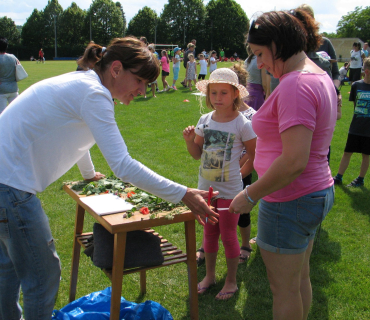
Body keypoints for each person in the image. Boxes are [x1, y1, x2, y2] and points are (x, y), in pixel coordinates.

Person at [0, 37, 219, 320]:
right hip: (10, 189)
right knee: (43, 275)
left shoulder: (85, 85)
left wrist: (89, 174)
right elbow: (123, 165)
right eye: (139, 81)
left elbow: (74, 133)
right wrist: (183, 193)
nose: (142, 90)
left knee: (8, 269)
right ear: (116, 69)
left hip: (6, 183)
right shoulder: (94, 93)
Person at [230, 11, 336, 319]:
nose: (259, 63)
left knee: (284, 289)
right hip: (314, 193)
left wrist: (250, 195)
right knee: (298, 279)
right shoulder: (316, 74)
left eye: (261, 53)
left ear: (278, 44)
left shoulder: (295, 84)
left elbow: (293, 162)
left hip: (291, 199)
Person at [183, 68, 256, 301]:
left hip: (230, 192)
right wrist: (188, 141)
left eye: (223, 93)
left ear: (235, 94)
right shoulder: (204, 120)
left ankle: (231, 281)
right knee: (209, 235)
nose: (217, 98)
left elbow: (255, 155)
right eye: (213, 93)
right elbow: (197, 154)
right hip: (207, 191)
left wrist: (240, 176)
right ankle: (210, 276)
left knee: (228, 236)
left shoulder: (242, 124)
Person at [333, 58, 370, 187]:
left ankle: (360, 179)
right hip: (356, 127)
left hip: (368, 129)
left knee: (366, 155)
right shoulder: (356, 85)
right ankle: (339, 177)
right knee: (347, 152)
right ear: (367, 71)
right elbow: (356, 106)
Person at [0, 37, 20, 114]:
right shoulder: (13, 57)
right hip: (13, 88)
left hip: (2, 90)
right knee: (16, 111)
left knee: (2, 113)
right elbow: (19, 67)